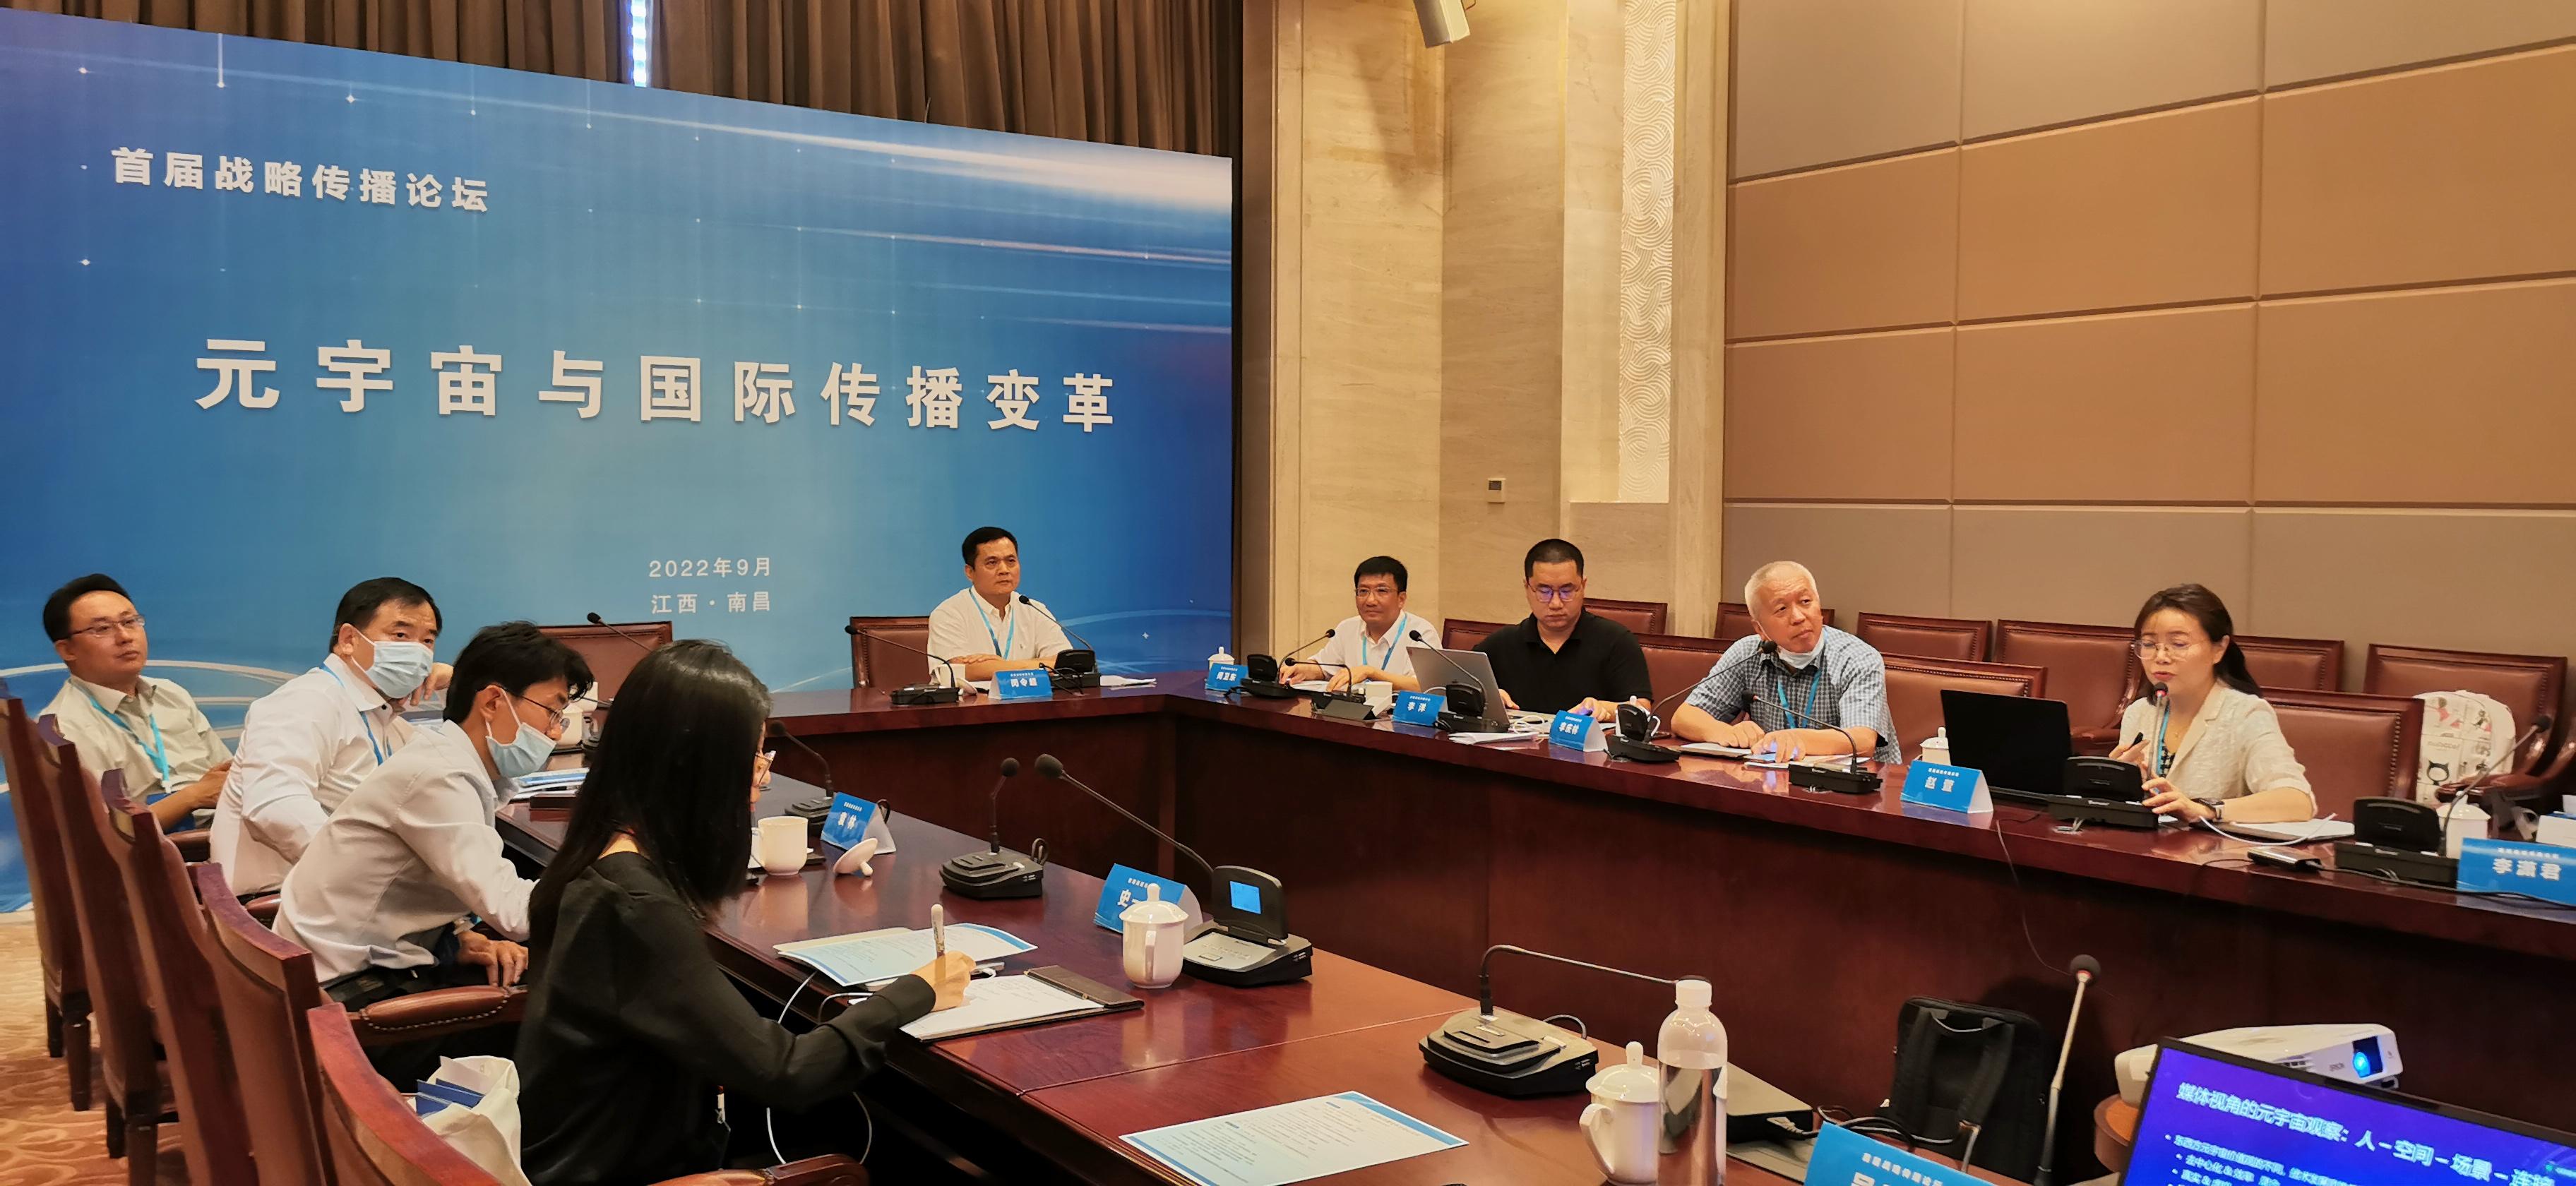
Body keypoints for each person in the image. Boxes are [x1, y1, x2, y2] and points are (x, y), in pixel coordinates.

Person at [515, 639, 972, 1185]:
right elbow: (787, 1072)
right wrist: (917, 991)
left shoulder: (598, 851)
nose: (760, 782)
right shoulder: (636, 906)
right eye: (753, 760)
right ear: (695, 767)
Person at [274, 622, 592, 1080]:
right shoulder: (440, 777)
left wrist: (458, 936)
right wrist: (608, 863)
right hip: (355, 1013)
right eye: (552, 710)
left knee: (564, 985)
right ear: (493, 701)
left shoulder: (445, 759)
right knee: (581, 1016)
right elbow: (518, 915)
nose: (555, 731)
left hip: (353, 976)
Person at [210, 577, 450, 893]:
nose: (417, 652)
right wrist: (368, 876)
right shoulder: (305, 702)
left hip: (343, 896)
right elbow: (274, 806)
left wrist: (461, 688)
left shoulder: (384, 715)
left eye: (427, 641)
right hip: (278, 904)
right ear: (349, 639)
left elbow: (456, 782)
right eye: (401, 636)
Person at [36, 574, 231, 832]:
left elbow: (227, 775)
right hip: (163, 849)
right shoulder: (64, 728)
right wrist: (191, 797)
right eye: (102, 629)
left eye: (130, 622)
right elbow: (102, 835)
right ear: (67, 650)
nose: (125, 636)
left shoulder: (171, 694)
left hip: (224, 827)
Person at [2112, 585, 2315, 824]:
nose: (2161, 657)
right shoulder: (2140, 713)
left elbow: (2297, 801)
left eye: (2178, 644)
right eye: (2148, 645)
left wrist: (2206, 810)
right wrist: (2114, 781)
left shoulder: (2245, 714)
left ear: (2219, 649)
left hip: (2214, 846)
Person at [1671, 562, 1898, 765]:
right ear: (1760, 629)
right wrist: (1724, 732)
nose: (1798, 617)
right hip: (1774, 783)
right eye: (1782, 609)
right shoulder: (1748, 653)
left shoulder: (1857, 657)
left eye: (1806, 602)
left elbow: (1862, 740)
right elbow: (1684, 718)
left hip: (1857, 787)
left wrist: (1795, 739)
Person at [1472, 539, 1652, 717]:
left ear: (1583, 586)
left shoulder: (1616, 641)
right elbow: (1459, 690)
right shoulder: (1502, 643)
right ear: (1527, 588)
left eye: (1567, 591)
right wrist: (1487, 697)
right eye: (1544, 592)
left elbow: (1642, 710)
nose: (1556, 603)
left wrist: (1606, 709)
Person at [926, 526, 1074, 683]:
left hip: (1031, 698)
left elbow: (1065, 664)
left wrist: (998, 666)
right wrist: (1037, 665)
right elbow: (958, 671)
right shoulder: (948, 614)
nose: (1004, 570)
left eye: (1011, 561)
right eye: (992, 563)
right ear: (970, 572)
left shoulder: (1034, 609)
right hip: (972, 699)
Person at [1286, 555, 1439, 692]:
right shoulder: (1347, 628)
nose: (1370, 601)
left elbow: (1426, 686)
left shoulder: (1420, 634)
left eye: (1382, 591)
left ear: (1401, 599)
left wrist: (1371, 673)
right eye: (1363, 591)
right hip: (1350, 712)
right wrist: (1302, 669)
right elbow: (1324, 668)